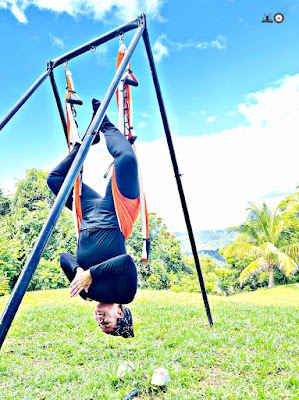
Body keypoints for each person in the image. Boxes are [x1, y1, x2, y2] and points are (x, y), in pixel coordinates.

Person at [47, 99, 140, 338]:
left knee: (55, 181)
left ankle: (87, 144)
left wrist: (78, 270)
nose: (101, 321)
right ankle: (106, 125)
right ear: (120, 314)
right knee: (126, 159)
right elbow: (126, 262)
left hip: (87, 215)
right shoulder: (125, 294)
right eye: (107, 324)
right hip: (116, 214)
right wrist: (90, 274)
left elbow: (64, 258)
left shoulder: (85, 293)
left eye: (101, 325)